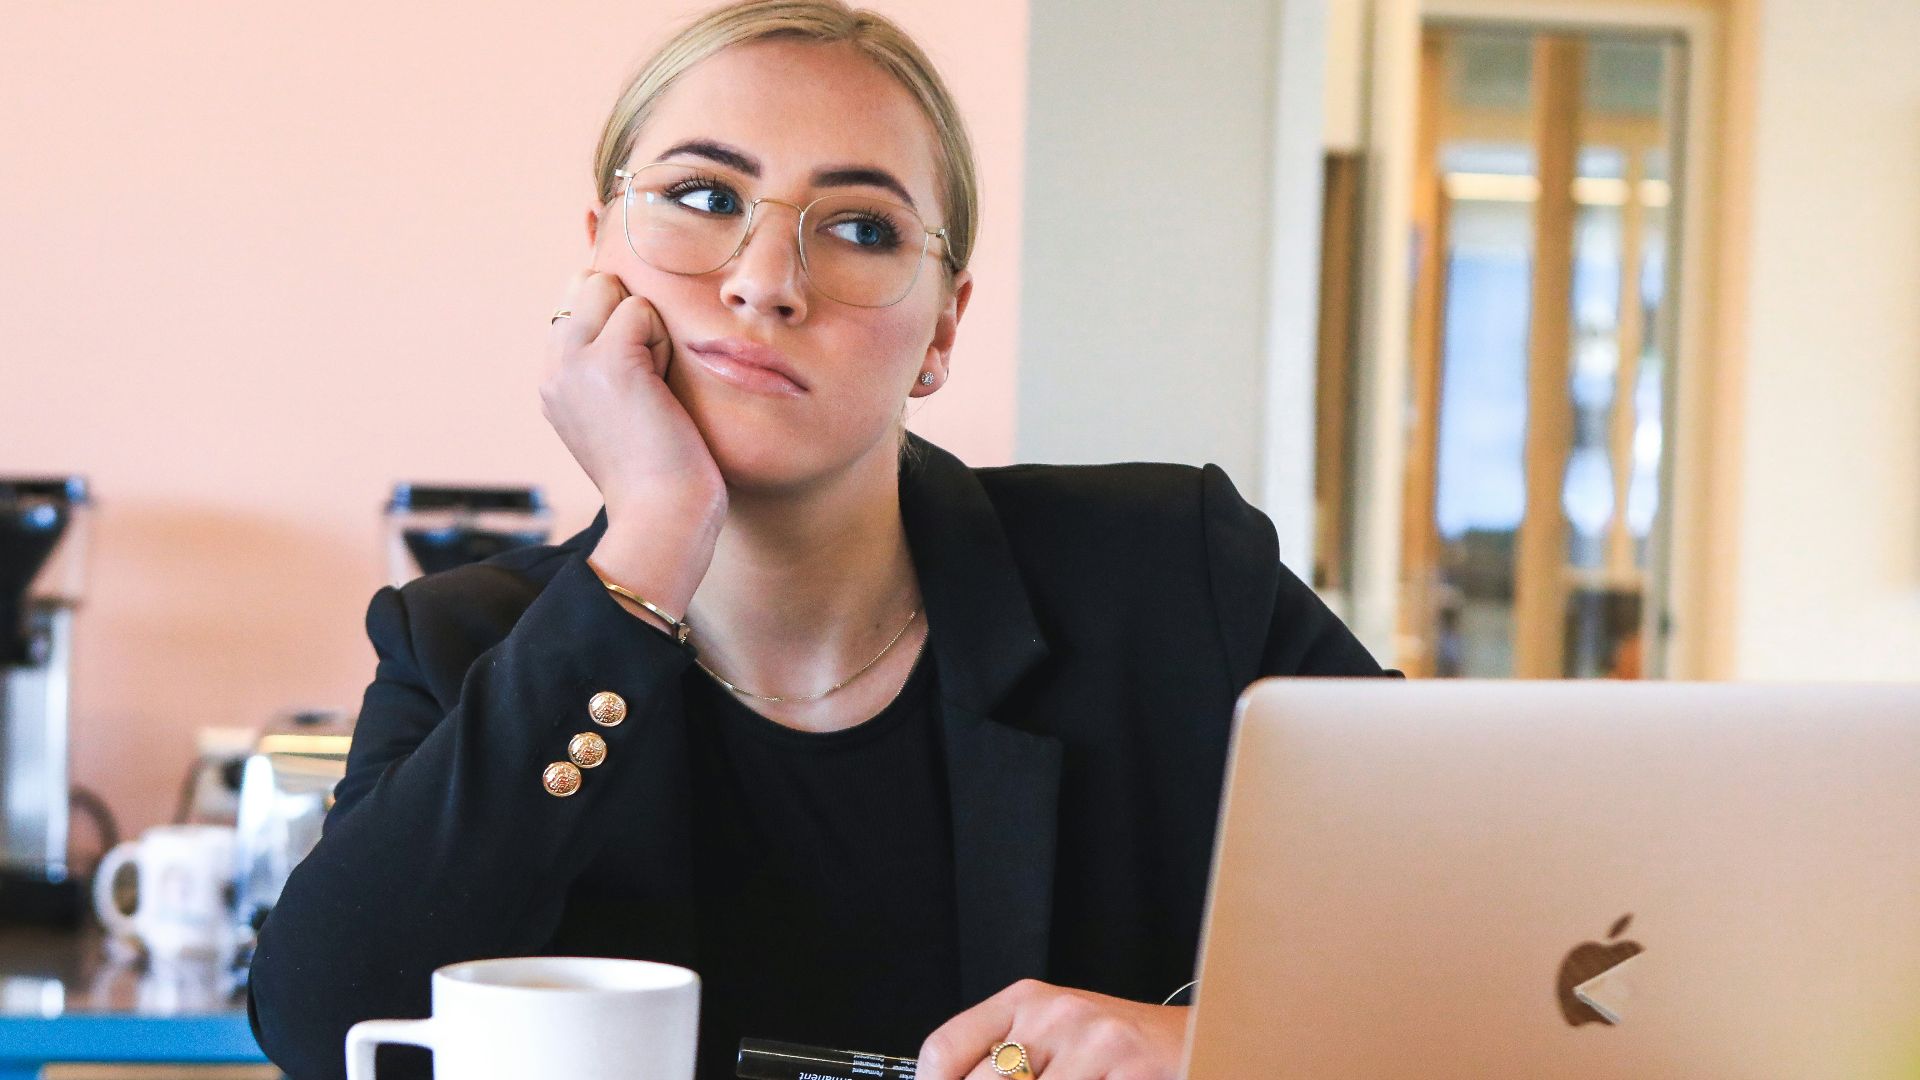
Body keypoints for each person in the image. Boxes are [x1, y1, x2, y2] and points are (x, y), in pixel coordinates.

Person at [244, 2, 1394, 1078]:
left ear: (943, 327)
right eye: (703, 198)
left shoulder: (1169, 578)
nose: (765, 281)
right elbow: (327, 1026)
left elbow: (1514, 944)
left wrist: (1213, 1047)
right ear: (599, 262)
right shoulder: (464, 642)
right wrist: (651, 540)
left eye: (859, 226)